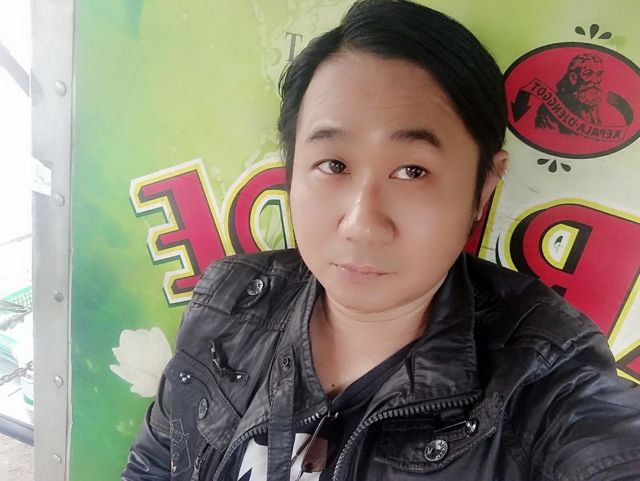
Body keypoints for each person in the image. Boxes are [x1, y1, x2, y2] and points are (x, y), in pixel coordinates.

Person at [121, 1, 640, 480]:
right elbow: (155, 465)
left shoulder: (542, 377)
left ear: (483, 186)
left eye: (412, 170)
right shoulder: (227, 300)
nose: (361, 224)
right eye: (333, 164)